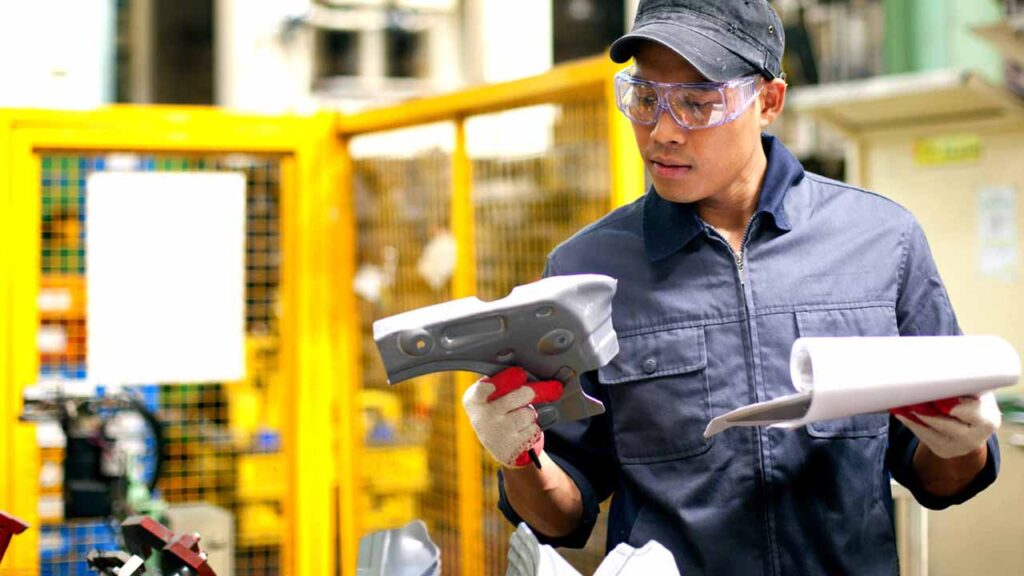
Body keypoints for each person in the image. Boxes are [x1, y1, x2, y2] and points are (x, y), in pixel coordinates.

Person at [461, 1, 1002, 574]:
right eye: (646, 99)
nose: (662, 132)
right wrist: (519, 457)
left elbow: (941, 480)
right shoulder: (585, 272)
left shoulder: (882, 241)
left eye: (697, 103)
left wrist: (961, 439)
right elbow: (563, 518)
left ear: (767, 101)